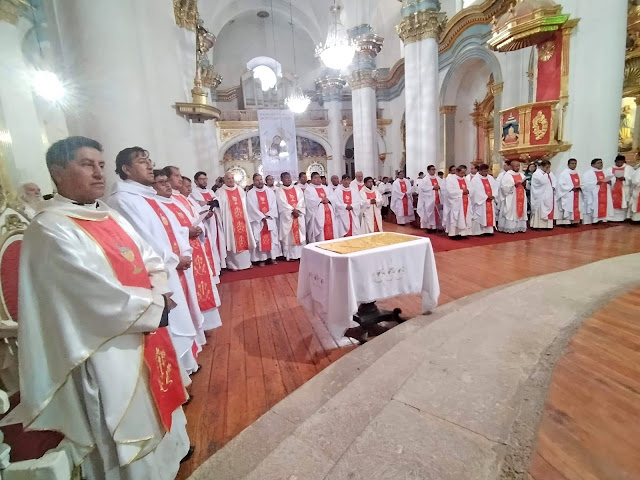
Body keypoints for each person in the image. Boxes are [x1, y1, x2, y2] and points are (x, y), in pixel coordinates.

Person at [21, 136, 190, 478]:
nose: (99, 173)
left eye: (100, 165)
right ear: (57, 171)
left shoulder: (108, 215)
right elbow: (90, 294)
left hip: (141, 324)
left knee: (157, 393)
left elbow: (151, 259)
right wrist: (155, 303)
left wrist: (158, 290)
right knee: (123, 414)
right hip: (103, 343)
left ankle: (171, 454)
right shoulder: (50, 227)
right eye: (86, 165)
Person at [108, 147, 200, 375]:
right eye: (142, 162)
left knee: (177, 320)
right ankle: (177, 376)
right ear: (126, 169)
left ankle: (184, 371)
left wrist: (180, 252)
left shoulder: (144, 196)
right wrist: (174, 258)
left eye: (149, 160)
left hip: (170, 265)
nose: (150, 165)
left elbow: (168, 230)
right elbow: (145, 240)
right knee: (170, 325)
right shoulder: (123, 200)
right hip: (158, 271)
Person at [159, 167, 222, 332]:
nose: (180, 180)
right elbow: (170, 229)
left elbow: (193, 216)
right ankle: (199, 326)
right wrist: (189, 231)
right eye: (177, 176)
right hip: (185, 248)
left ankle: (203, 325)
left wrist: (200, 224)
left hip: (194, 242)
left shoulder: (180, 198)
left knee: (200, 286)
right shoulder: (167, 200)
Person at [216, 172, 256, 270]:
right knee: (232, 240)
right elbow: (219, 209)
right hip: (229, 222)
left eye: (232, 178)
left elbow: (245, 205)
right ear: (224, 180)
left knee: (244, 238)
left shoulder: (240, 189)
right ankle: (233, 265)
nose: (230, 180)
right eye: (228, 178)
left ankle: (246, 263)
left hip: (242, 219)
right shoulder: (220, 192)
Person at [190, 171, 227, 272]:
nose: (204, 181)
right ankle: (212, 268)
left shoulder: (210, 191)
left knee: (217, 242)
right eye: (201, 179)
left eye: (205, 179)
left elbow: (216, 202)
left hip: (215, 220)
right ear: (196, 181)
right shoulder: (194, 192)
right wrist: (210, 203)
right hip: (205, 222)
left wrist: (208, 203)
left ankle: (219, 266)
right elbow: (199, 206)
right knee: (209, 244)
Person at [246, 173, 280, 266]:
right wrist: (261, 216)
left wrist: (268, 215)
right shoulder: (250, 193)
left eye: (261, 179)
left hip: (269, 218)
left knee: (271, 238)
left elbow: (273, 204)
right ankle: (261, 259)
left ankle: (272, 257)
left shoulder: (269, 191)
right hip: (258, 220)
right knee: (260, 239)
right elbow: (251, 207)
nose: (259, 182)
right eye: (257, 180)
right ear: (253, 182)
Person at [276, 171, 306, 260]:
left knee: (299, 234)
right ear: (282, 180)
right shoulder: (279, 190)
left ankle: (301, 254)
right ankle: (291, 255)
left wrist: (298, 209)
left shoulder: (297, 188)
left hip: (298, 215)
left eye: (289, 177)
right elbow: (281, 203)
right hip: (288, 216)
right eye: (286, 178)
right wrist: (292, 210)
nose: (288, 179)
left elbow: (301, 200)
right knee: (289, 236)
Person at [303, 171, 337, 243]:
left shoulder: (326, 188)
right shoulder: (309, 189)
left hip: (328, 212)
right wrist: (320, 200)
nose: (318, 179)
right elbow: (309, 201)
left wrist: (328, 199)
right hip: (317, 213)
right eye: (315, 178)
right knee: (320, 232)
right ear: (311, 179)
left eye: (319, 177)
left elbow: (333, 196)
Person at [498, 160, 528, 233]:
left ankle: (520, 226)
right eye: (516, 166)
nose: (518, 167)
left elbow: (525, 185)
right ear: (511, 167)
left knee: (520, 209)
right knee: (511, 211)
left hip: (521, 195)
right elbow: (504, 187)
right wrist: (514, 185)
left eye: (518, 166)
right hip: (512, 196)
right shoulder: (507, 175)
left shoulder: (521, 174)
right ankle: (510, 227)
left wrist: (524, 183)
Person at [582, 158, 613, 225]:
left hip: (604, 192)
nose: (601, 164)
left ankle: (602, 219)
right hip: (594, 193)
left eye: (601, 162)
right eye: (598, 163)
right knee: (594, 206)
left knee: (604, 204)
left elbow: (611, 180)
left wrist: (610, 182)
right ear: (593, 164)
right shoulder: (588, 173)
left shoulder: (605, 171)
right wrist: (596, 182)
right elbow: (584, 184)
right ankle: (594, 220)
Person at [469, 163, 497, 235]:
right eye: (484, 171)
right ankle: (479, 231)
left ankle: (489, 231)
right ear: (480, 171)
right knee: (480, 215)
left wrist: (493, 195)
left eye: (487, 171)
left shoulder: (490, 178)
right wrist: (486, 197)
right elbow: (475, 191)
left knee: (489, 215)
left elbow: (495, 187)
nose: (486, 173)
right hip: (481, 202)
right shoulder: (475, 179)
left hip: (490, 201)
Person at [444, 166, 472, 238]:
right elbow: (449, 191)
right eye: (462, 172)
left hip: (465, 201)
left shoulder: (465, 179)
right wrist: (462, 191)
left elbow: (471, 188)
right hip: (456, 202)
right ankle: (454, 234)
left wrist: (469, 191)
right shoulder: (451, 179)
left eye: (464, 172)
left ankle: (463, 233)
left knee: (465, 217)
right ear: (457, 171)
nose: (463, 174)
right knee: (455, 218)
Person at [556, 158, 583, 227]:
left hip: (576, 193)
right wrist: (571, 188)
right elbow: (561, 185)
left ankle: (574, 221)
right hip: (568, 194)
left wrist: (580, 187)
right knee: (567, 208)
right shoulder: (564, 174)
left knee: (576, 207)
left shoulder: (578, 173)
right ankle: (566, 222)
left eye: (575, 163)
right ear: (568, 164)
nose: (574, 165)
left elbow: (582, 182)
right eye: (572, 163)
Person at [529, 160, 556, 229]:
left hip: (548, 194)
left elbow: (554, 181)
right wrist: (546, 174)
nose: (548, 169)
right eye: (546, 167)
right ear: (541, 166)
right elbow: (543, 181)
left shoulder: (548, 173)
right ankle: (538, 225)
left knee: (548, 207)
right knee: (540, 210)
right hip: (540, 196)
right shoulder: (537, 174)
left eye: (549, 167)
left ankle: (548, 225)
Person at [606, 155, 633, 222]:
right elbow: (606, 177)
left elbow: (633, 178)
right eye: (618, 162)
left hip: (624, 188)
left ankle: (623, 218)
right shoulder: (609, 169)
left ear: (624, 161)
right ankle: (611, 217)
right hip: (613, 188)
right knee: (612, 202)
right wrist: (613, 179)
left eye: (621, 162)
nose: (619, 164)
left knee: (623, 202)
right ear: (615, 161)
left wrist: (625, 178)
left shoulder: (629, 168)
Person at [417, 165, 444, 232]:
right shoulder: (425, 179)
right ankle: (429, 227)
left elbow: (444, 185)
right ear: (428, 170)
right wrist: (432, 188)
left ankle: (437, 227)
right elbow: (423, 188)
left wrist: (440, 187)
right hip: (429, 199)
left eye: (434, 169)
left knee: (438, 213)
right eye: (432, 169)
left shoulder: (438, 178)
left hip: (438, 199)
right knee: (430, 213)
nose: (433, 171)